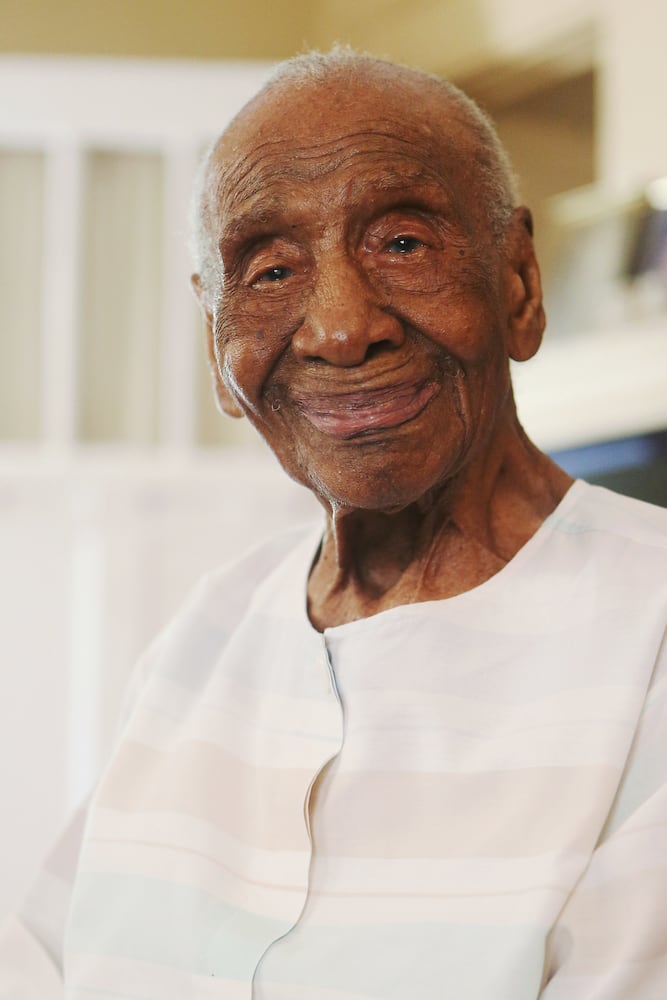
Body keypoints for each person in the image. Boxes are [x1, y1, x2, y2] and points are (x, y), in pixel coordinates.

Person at [1, 47, 666, 1000]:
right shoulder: (207, 634)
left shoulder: (651, 635)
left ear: (516, 281)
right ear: (214, 340)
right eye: (269, 270)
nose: (340, 327)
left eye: (402, 243)